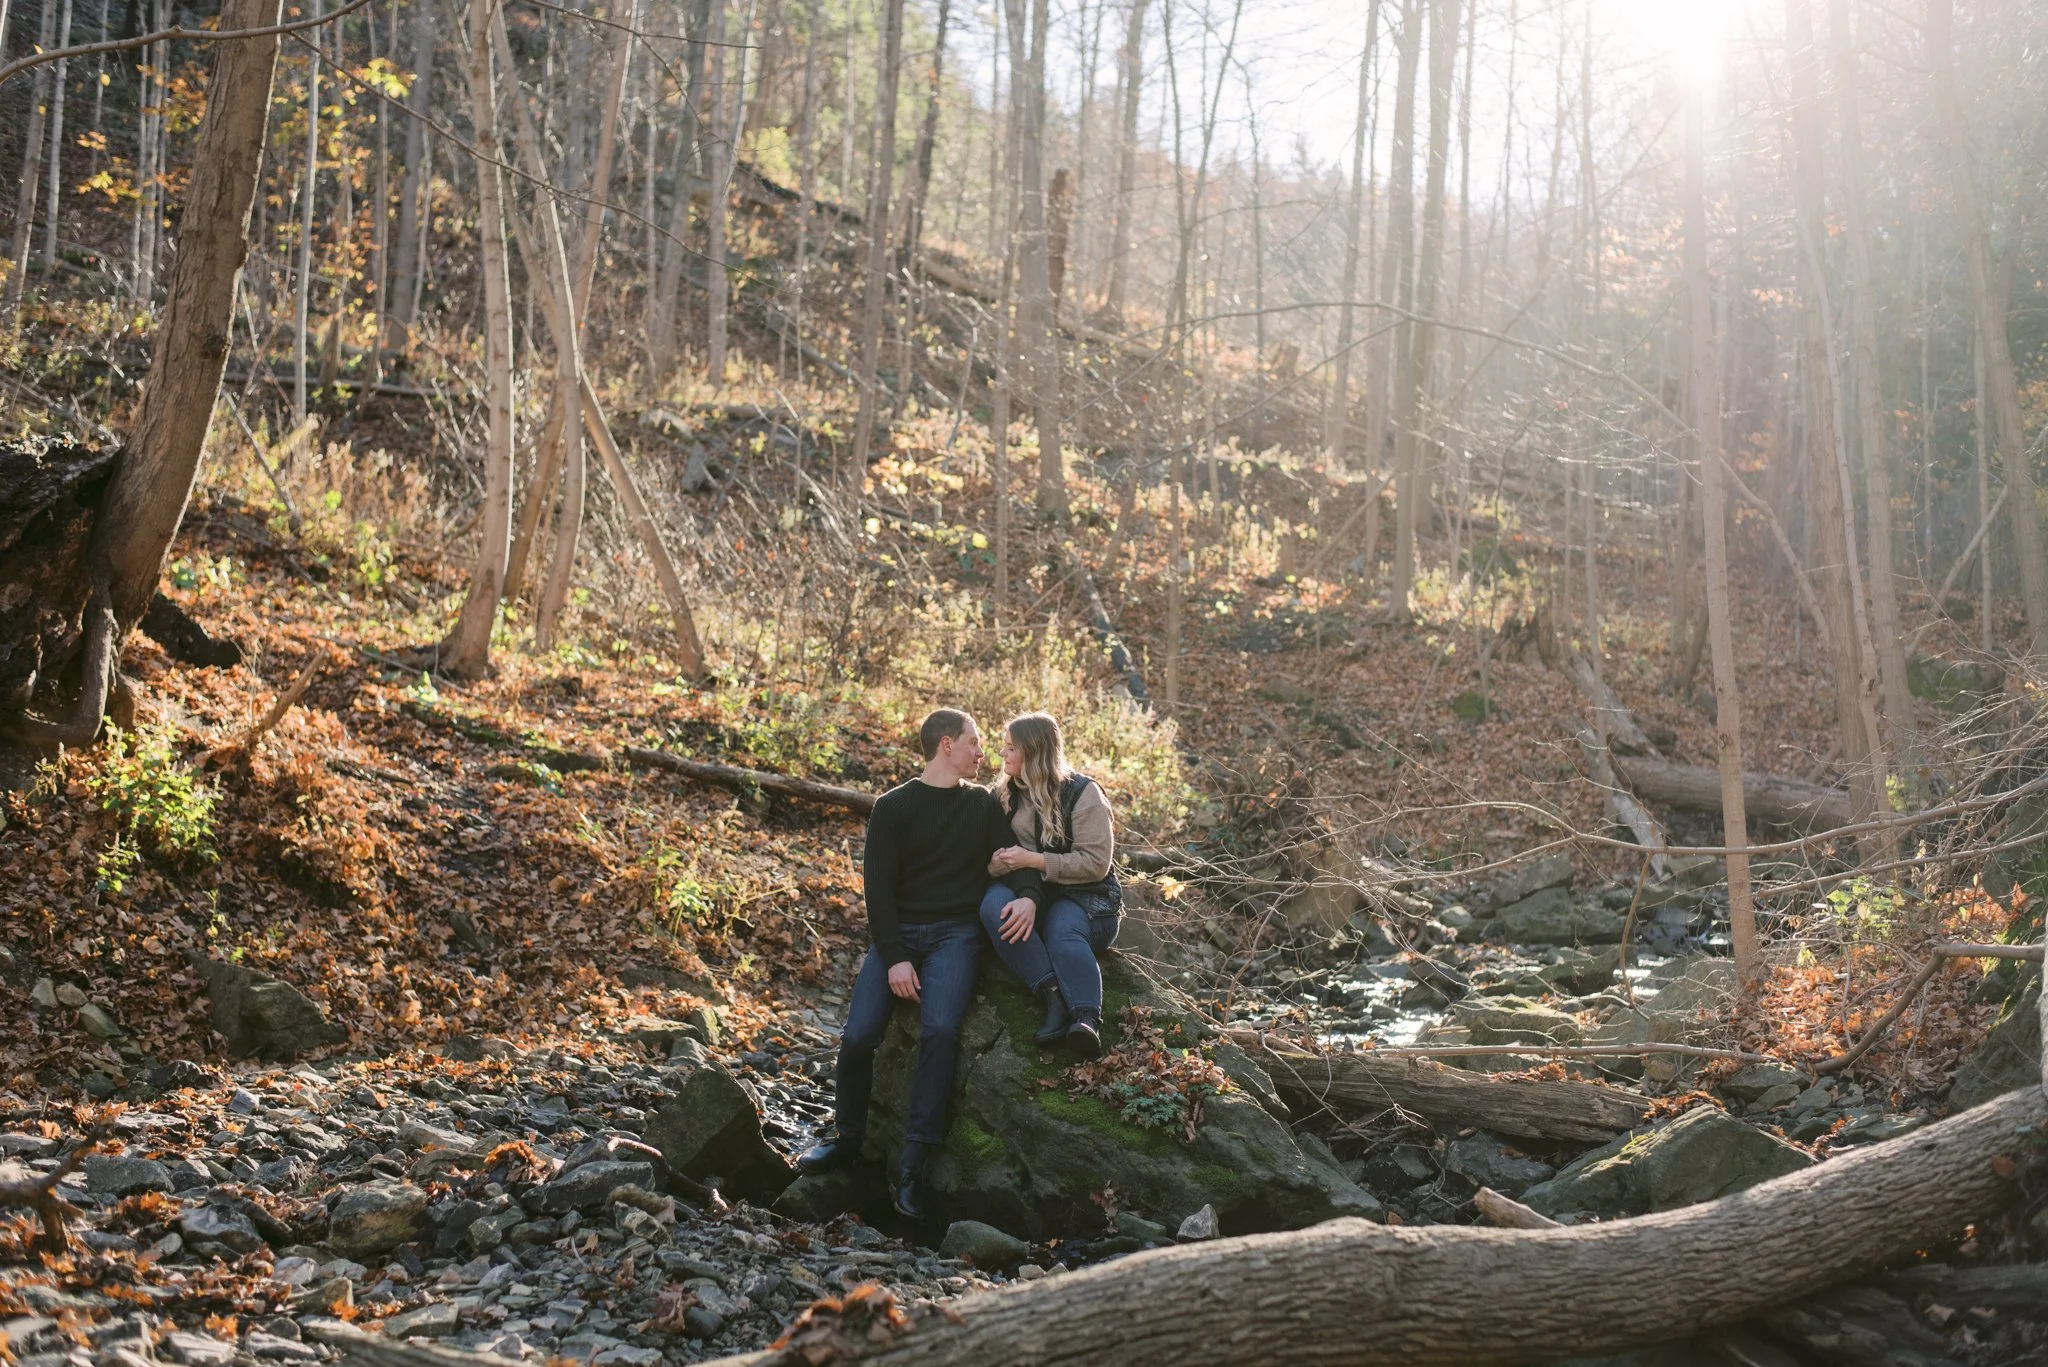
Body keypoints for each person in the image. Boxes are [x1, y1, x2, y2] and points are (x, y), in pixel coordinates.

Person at [794, 707, 1042, 1218]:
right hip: (899, 934)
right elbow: (878, 893)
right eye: (974, 742)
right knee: (859, 1034)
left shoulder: (982, 806)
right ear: (946, 745)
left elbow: (1015, 860)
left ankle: (913, 1162)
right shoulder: (893, 807)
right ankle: (847, 1138)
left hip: (957, 935)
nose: (983, 753)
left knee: (941, 1031)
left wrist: (1030, 897)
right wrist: (896, 960)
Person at [980, 712, 1122, 1059]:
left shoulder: (1083, 793)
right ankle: (1052, 994)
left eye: (1011, 747)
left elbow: (1096, 864)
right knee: (993, 906)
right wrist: (994, 866)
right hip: (1034, 892)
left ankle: (1086, 1019)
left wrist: (1035, 861)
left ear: (1033, 750)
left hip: (1088, 901)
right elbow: (987, 854)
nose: (1003, 754)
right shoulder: (1003, 795)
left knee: (1062, 930)